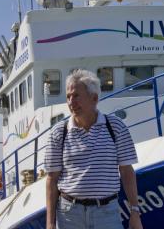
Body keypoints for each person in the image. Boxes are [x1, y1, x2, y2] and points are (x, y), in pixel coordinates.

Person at [45, 69, 143, 229]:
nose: (71, 102)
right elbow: (52, 179)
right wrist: (50, 224)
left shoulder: (116, 127)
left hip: (106, 214)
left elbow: (126, 171)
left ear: (94, 98)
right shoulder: (58, 132)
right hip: (69, 215)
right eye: (68, 97)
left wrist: (135, 211)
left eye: (76, 96)